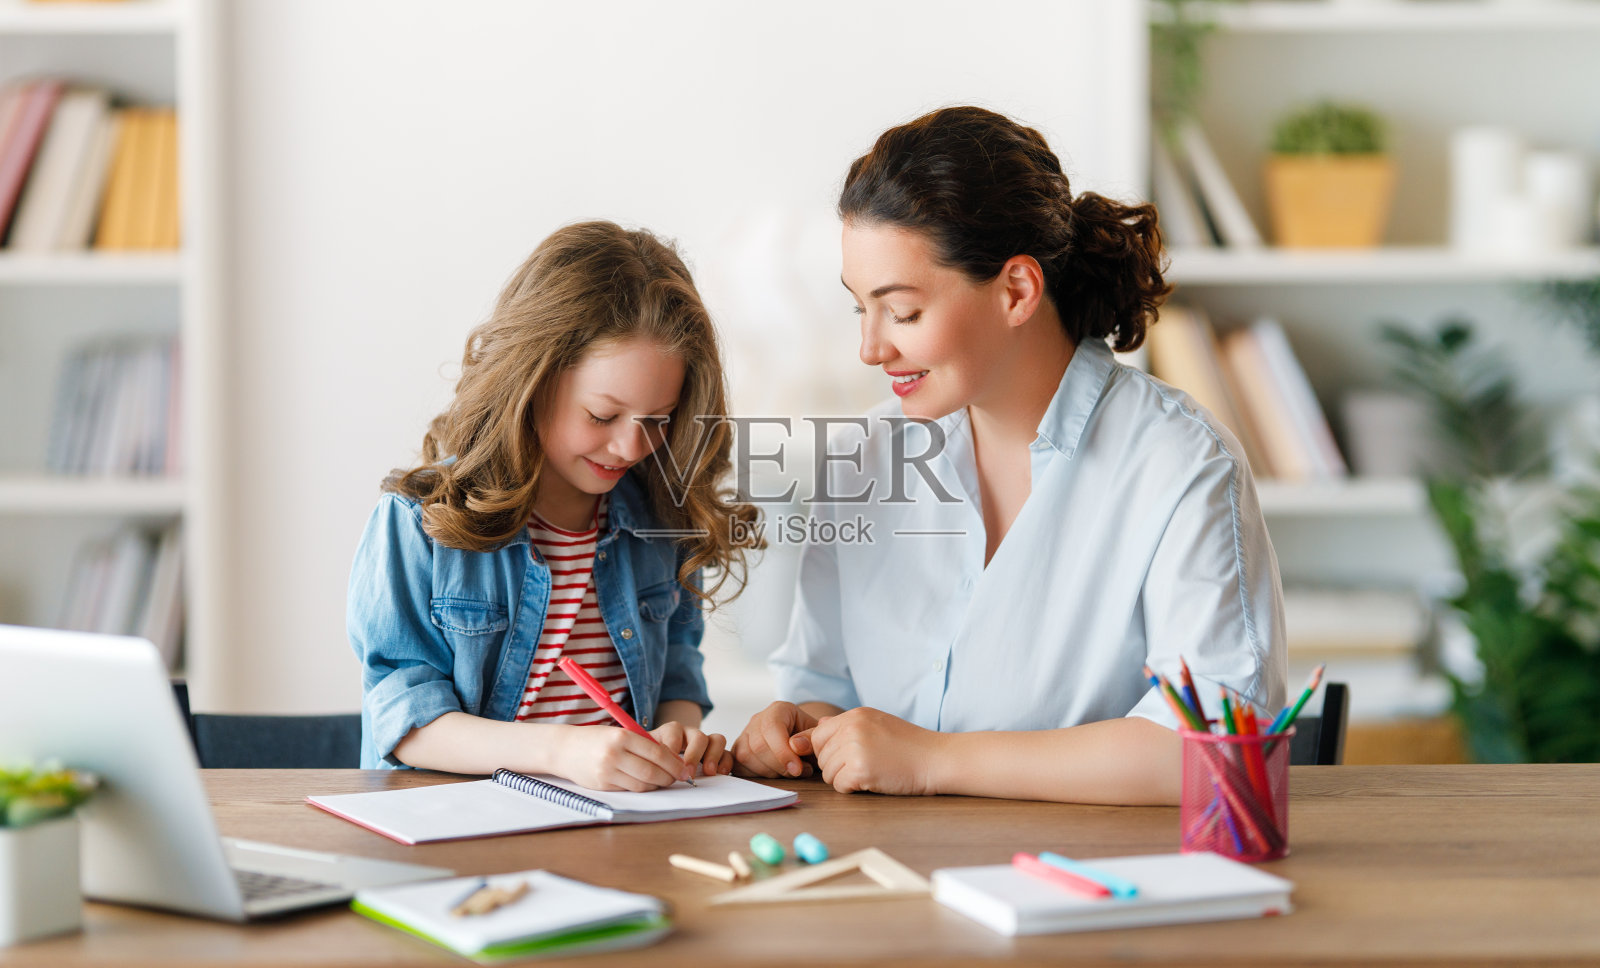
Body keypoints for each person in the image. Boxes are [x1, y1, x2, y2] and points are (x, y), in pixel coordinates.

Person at [731, 107, 1287, 804]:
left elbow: (1217, 753)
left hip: (1093, 889)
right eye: (858, 310)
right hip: (885, 882)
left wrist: (934, 761)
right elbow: (824, 695)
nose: (871, 349)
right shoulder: (863, 461)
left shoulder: (1178, 465)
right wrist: (797, 732)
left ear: (1016, 291)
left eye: (901, 312)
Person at [349, 220, 757, 791]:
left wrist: (678, 734)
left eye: (658, 420)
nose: (631, 448)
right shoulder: (419, 522)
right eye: (602, 416)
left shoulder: (662, 517)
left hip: (620, 829)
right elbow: (406, 721)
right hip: (462, 829)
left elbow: (678, 677)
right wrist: (562, 749)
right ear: (531, 380)